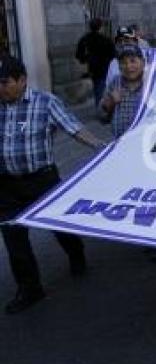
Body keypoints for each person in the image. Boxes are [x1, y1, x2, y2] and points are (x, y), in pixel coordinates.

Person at [0, 55, 106, 314]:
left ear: (22, 80)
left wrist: (103, 150)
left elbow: (74, 129)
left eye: (5, 83)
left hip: (42, 181)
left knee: (58, 225)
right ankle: (30, 288)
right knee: (14, 238)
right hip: (6, 186)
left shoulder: (46, 103)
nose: (1, 89)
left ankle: (75, 251)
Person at [98, 45, 156, 263]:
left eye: (133, 61)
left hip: (151, 149)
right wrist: (110, 103)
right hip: (124, 150)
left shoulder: (155, 83)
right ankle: (143, 232)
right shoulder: (114, 84)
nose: (128, 66)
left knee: (153, 192)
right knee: (136, 193)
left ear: (142, 62)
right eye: (123, 62)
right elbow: (101, 116)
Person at [74, 18, 115, 108]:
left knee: (98, 88)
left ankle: (101, 107)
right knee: (102, 89)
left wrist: (87, 59)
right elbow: (113, 54)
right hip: (104, 67)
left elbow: (78, 55)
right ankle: (102, 109)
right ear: (100, 27)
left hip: (91, 68)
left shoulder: (84, 39)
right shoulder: (106, 39)